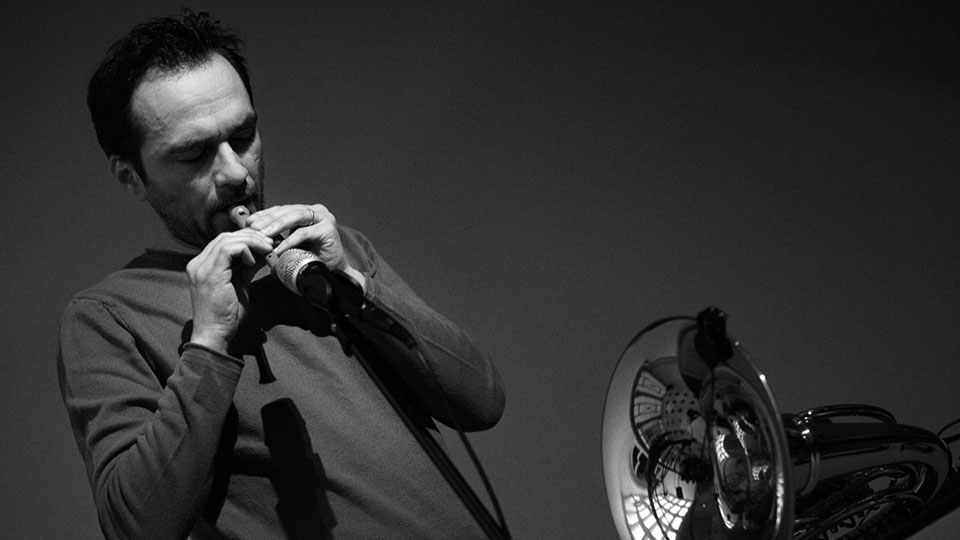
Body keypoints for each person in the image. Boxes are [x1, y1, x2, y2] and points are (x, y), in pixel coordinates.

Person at [57, 10, 505, 540]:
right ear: (131, 177)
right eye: (195, 154)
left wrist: (354, 280)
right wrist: (209, 343)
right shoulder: (107, 317)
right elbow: (135, 527)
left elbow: (482, 401)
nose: (235, 172)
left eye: (243, 135)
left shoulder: (332, 248)